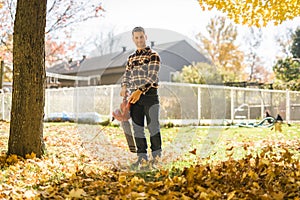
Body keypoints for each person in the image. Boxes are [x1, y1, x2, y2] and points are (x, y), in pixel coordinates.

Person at [120, 26, 162, 168]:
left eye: (141, 37)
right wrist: (124, 87)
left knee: (153, 126)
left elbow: (152, 77)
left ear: (146, 37)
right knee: (137, 128)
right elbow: (127, 75)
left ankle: (156, 157)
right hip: (134, 97)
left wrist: (139, 91)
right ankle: (141, 157)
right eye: (136, 37)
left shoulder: (153, 55)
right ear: (133, 39)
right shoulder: (131, 58)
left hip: (149, 96)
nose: (139, 40)